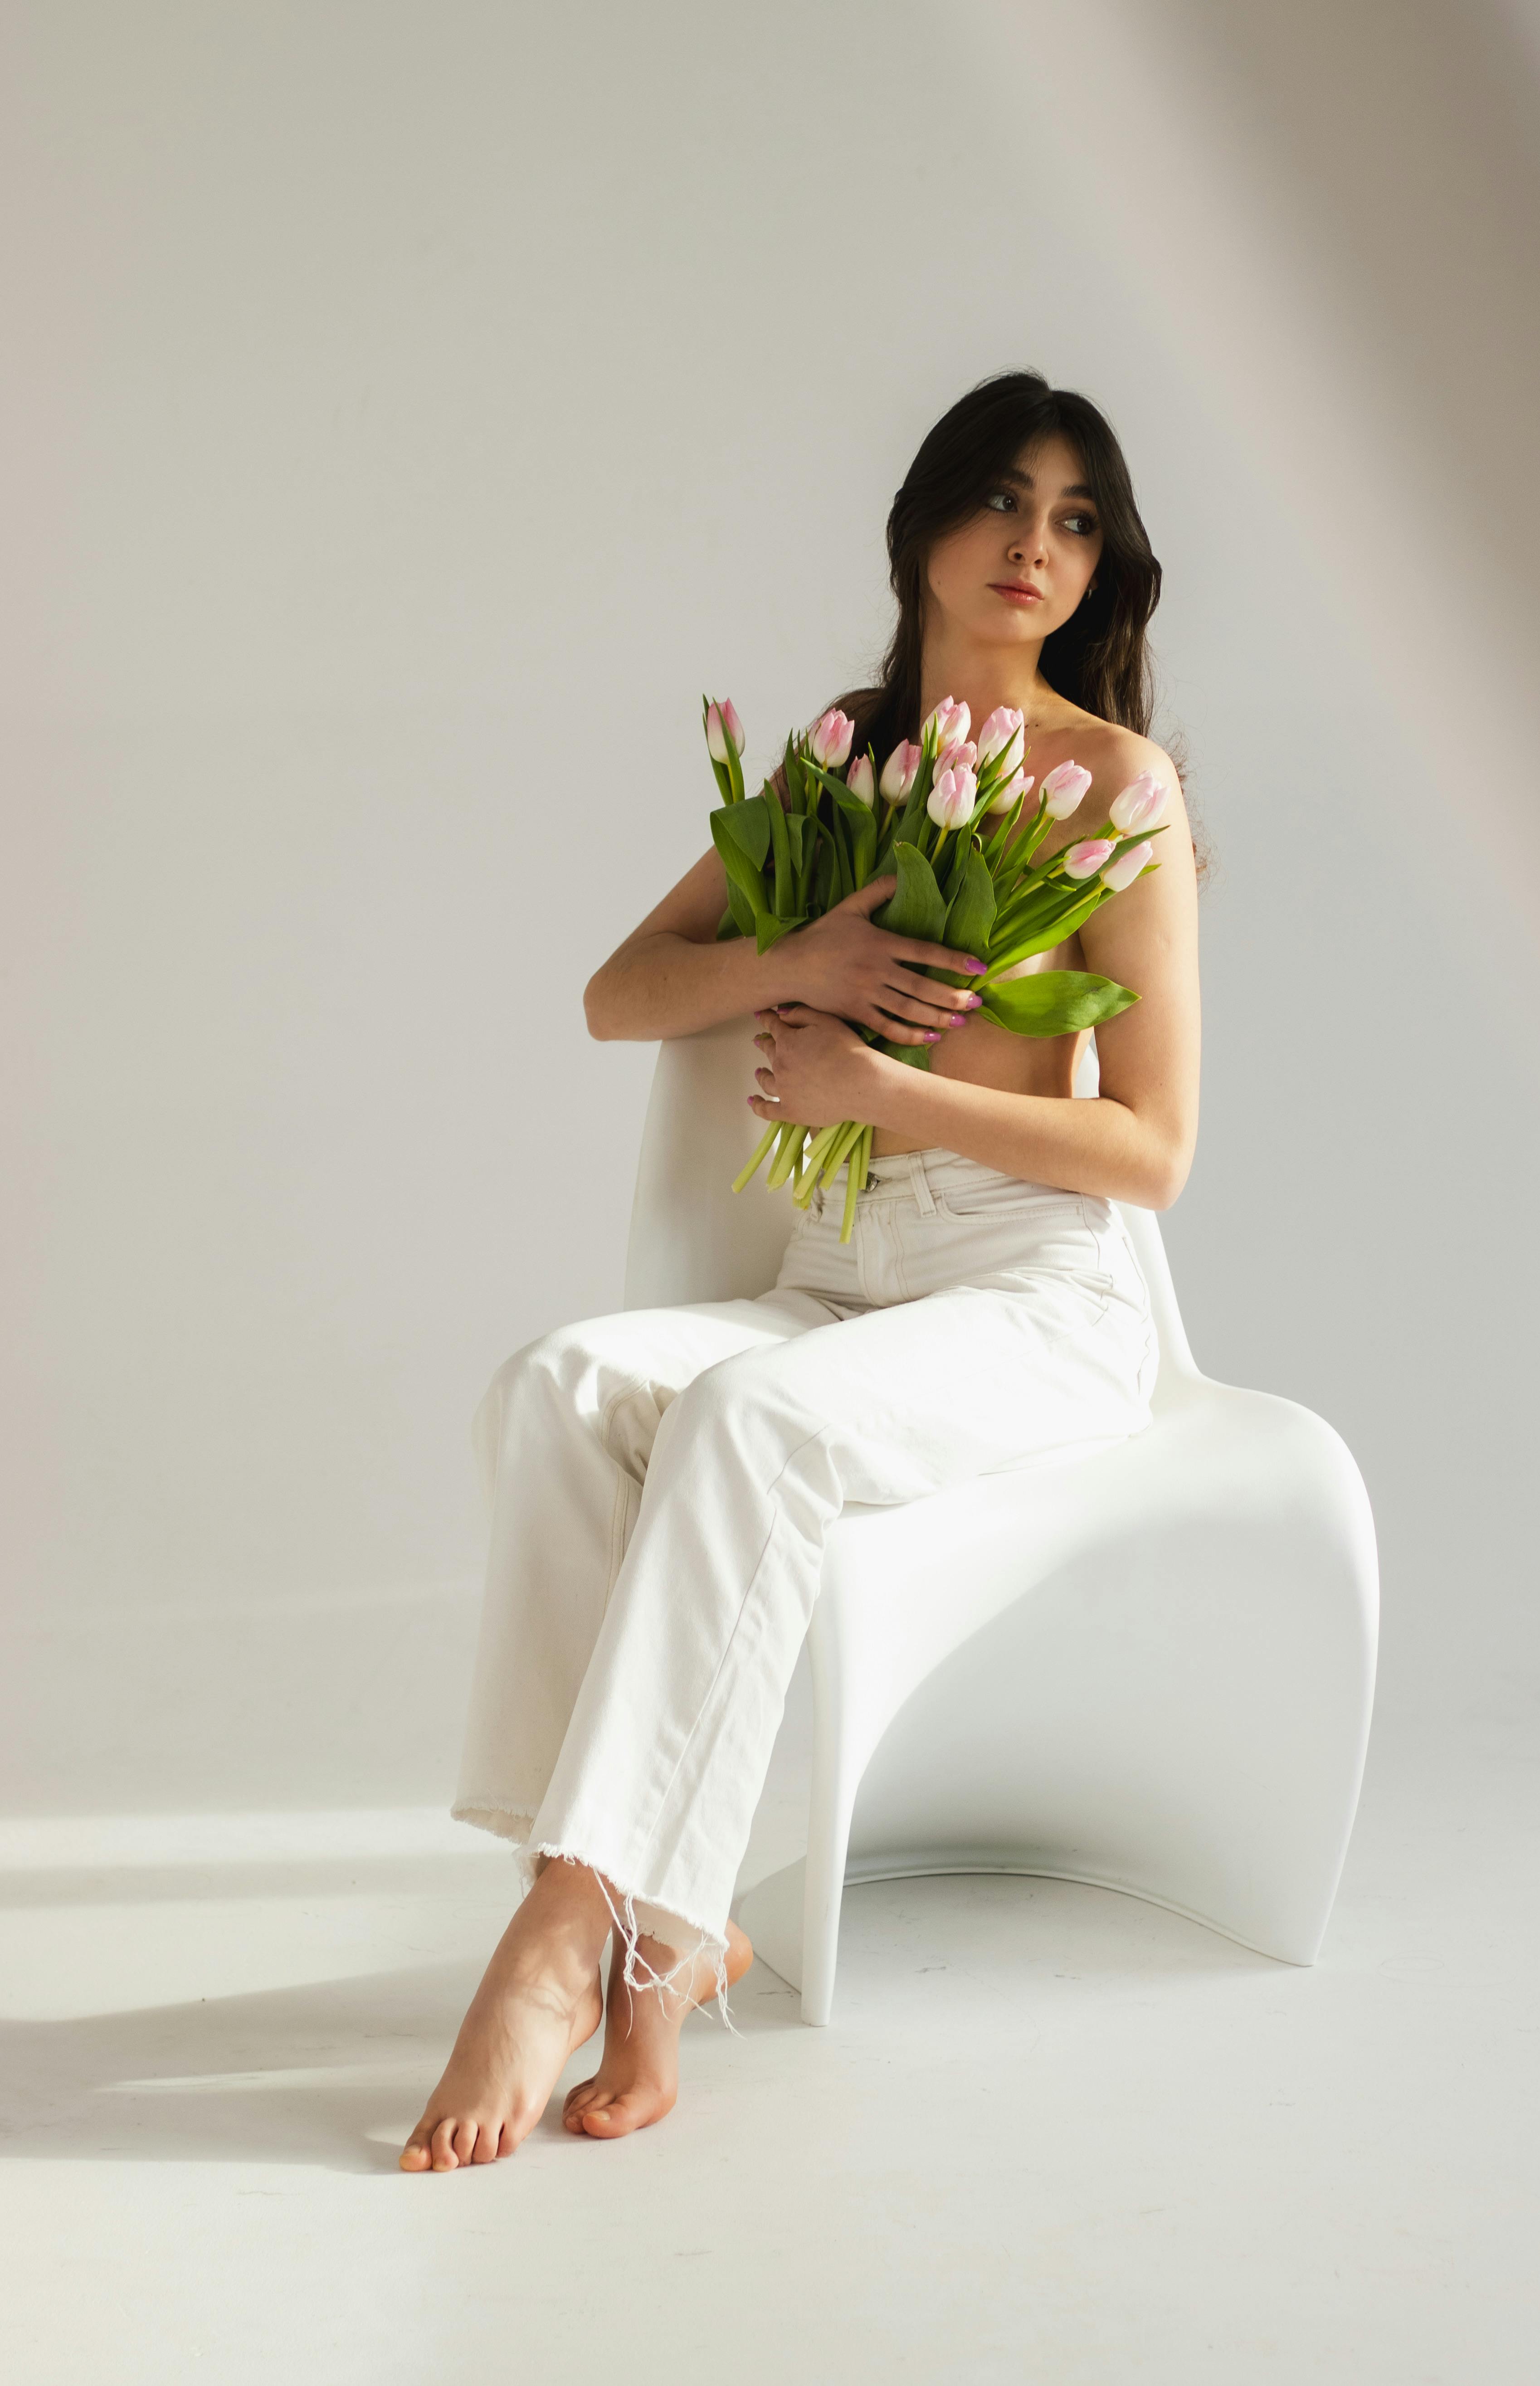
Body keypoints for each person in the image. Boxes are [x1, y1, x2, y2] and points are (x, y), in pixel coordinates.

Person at [401, 370, 1203, 2172]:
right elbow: (622, 993)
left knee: (750, 1426)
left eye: (1077, 519)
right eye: (1003, 500)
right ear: (922, 525)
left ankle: (567, 1928)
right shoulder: (843, 758)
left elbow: (1153, 1148)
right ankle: (663, 1937)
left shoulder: (1115, 782)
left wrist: (885, 1080)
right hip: (842, 1280)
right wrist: (806, 957)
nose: (1034, 546)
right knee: (561, 1382)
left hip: (1035, 1303)